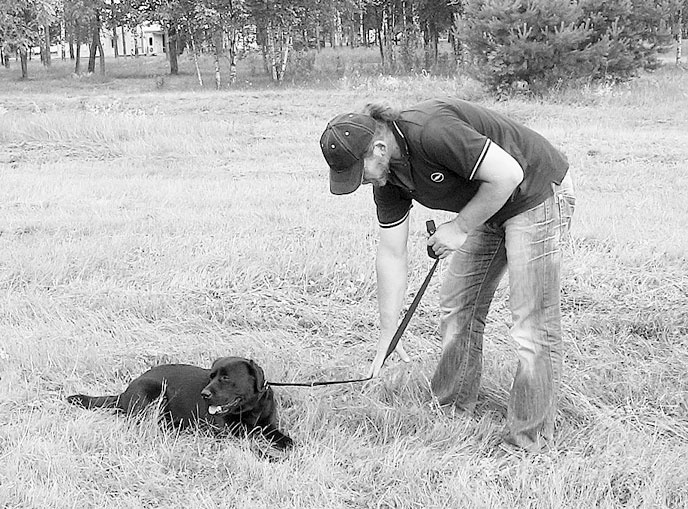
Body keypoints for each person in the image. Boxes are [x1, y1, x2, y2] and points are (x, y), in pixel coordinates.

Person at [319, 98, 575, 452]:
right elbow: (391, 253)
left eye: (358, 172)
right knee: (457, 305)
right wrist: (387, 331)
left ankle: (527, 442)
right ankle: (451, 408)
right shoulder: (388, 178)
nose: (361, 182)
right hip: (489, 202)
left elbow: (509, 174)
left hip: (534, 193)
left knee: (532, 324)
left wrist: (459, 227)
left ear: (378, 149)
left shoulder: (431, 131)